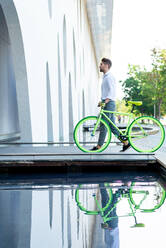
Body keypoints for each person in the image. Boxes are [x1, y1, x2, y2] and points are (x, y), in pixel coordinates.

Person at [91, 58, 130, 152]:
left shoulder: (109, 77)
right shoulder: (105, 77)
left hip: (109, 103)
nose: (99, 66)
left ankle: (99, 146)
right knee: (112, 127)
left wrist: (106, 100)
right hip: (107, 103)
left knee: (103, 125)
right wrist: (102, 101)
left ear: (106, 65)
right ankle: (126, 143)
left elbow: (112, 91)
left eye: (101, 64)